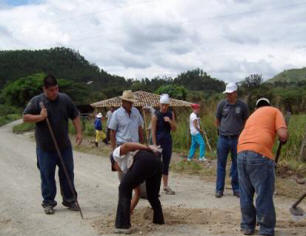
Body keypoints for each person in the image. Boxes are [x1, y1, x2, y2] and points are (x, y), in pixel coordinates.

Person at [23, 74, 82, 215]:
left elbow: (75, 115)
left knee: (68, 173)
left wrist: (79, 132)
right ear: (44, 89)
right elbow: (25, 117)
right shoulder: (37, 101)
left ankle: (70, 200)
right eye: (51, 90)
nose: (54, 92)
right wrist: (40, 117)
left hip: (64, 146)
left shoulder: (65, 99)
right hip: (45, 148)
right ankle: (48, 202)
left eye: (56, 89)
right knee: (47, 175)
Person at [237, 98, 288, 236]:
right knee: (264, 193)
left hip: (241, 151)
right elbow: (282, 135)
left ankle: (247, 226)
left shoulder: (252, 116)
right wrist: (284, 137)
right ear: (269, 105)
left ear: (256, 107)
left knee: (246, 193)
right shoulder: (275, 111)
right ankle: (265, 230)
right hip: (259, 153)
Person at [110, 142, 164, 234]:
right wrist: (129, 209)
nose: (117, 170)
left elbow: (127, 145)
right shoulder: (129, 168)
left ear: (114, 163)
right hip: (156, 162)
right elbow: (137, 193)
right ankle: (159, 220)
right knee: (152, 195)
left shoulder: (115, 154)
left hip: (144, 158)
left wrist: (146, 147)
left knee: (123, 187)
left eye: (114, 168)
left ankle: (122, 225)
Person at [108, 90, 144, 214]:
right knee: (124, 182)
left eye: (132, 102)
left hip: (135, 150)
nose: (131, 104)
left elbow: (140, 129)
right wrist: (114, 151)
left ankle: (128, 210)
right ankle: (123, 209)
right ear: (123, 101)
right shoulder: (116, 114)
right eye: (129, 102)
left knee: (135, 181)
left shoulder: (136, 112)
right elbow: (112, 132)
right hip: (123, 149)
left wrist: (142, 146)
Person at [215, 82, 249, 198]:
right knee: (221, 164)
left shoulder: (242, 106)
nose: (228, 96)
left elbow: (246, 121)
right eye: (227, 93)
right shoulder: (222, 104)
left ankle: (236, 188)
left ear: (235, 93)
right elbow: (217, 119)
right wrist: (219, 130)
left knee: (236, 164)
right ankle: (219, 189)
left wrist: (243, 134)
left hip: (237, 139)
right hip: (223, 139)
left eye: (230, 93)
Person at [152, 94, 176, 195]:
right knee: (156, 165)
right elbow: (153, 131)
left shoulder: (171, 114)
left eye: (166, 105)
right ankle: (154, 188)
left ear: (168, 105)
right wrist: (154, 145)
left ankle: (165, 186)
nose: (164, 107)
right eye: (162, 105)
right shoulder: (155, 115)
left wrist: (170, 121)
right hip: (158, 142)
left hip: (167, 141)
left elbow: (174, 129)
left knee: (166, 164)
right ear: (159, 104)